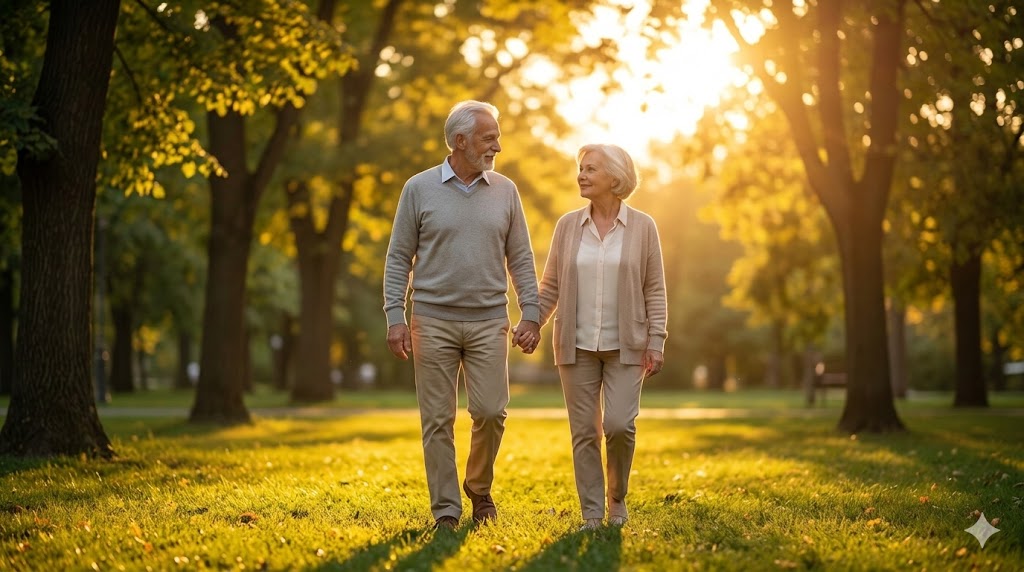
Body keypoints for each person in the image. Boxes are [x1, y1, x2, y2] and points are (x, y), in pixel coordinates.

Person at [383, 100, 541, 531]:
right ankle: (446, 511)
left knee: (491, 412)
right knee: (437, 420)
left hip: (490, 320)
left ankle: (478, 486)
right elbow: (398, 257)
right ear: (460, 141)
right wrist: (395, 316)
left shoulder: (506, 191)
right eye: (490, 138)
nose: (498, 146)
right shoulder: (418, 189)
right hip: (431, 320)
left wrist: (531, 311)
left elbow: (521, 257)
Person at [537, 143, 667, 531]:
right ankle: (593, 514)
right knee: (584, 433)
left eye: (590, 169)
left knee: (619, 425)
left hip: (627, 345)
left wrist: (656, 340)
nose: (581, 175)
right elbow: (551, 286)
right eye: (580, 168)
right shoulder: (567, 226)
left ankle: (617, 497)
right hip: (575, 346)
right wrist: (532, 323)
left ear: (615, 177)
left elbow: (655, 288)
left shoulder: (643, 227)